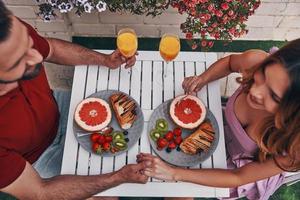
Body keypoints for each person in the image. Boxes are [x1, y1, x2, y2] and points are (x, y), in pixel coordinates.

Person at [0, 2, 148, 200]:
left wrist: (104, 60)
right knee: (109, 196)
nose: (36, 56)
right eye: (19, 60)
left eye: (27, 43)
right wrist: (117, 178)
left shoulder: (6, 30)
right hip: (43, 157)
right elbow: (40, 192)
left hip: (60, 106)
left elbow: (50, 49)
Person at [137, 39, 300, 200]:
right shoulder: (256, 60)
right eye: (263, 75)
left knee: (177, 192)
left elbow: (238, 177)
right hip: (215, 125)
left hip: (233, 169)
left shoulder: (294, 148)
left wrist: (173, 173)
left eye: (274, 96)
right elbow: (229, 63)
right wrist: (202, 79)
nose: (255, 91)